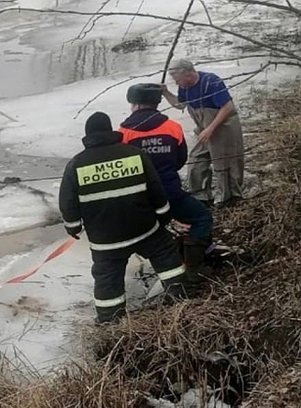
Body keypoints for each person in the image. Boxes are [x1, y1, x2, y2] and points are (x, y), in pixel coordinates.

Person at [59, 112, 186, 324]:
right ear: (110, 131)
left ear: (88, 135)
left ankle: (110, 323)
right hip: (144, 228)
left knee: (107, 279)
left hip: (106, 241)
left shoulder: (76, 165)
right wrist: (163, 216)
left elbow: (67, 203)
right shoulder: (134, 154)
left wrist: (73, 227)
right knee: (167, 258)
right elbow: (156, 190)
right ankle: (181, 301)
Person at [119, 83, 214, 288]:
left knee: (155, 231)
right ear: (157, 103)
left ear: (134, 104)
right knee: (201, 218)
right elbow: (180, 159)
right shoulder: (172, 127)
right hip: (170, 192)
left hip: (139, 197)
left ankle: (175, 258)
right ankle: (193, 268)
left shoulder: (124, 133)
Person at [162, 59, 244, 207]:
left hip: (223, 127)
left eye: (178, 79)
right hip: (203, 128)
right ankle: (200, 195)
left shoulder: (211, 81)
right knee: (196, 158)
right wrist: (166, 93)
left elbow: (228, 107)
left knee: (223, 162)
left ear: (188, 73)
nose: (177, 83)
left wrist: (211, 128)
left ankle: (227, 198)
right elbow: (180, 104)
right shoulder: (184, 86)